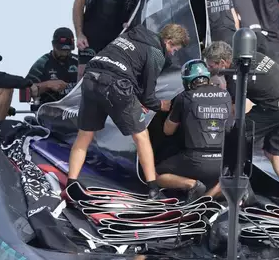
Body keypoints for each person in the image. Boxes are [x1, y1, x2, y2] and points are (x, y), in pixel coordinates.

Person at [66, 24, 190, 199]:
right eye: (174, 49)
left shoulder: (130, 36)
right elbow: (148, 96)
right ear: (168, 42)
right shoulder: (156, 52)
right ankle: (153, 187)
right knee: (141, 136)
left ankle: (71, 183)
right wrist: (161, 105)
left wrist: (139, 99)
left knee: (84, 135)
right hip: (116, 85)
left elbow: (130, 67)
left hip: (91, 76)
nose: (172, 54)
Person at [203, 40, 279, 207]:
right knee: (275, 152)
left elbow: (235, 112)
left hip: (277, 107)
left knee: (236, 135)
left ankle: (236, 188)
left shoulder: (235, 74)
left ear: (222, 63)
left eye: (211, 66)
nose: (209, 69)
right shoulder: (252, 56)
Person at [157, 59, 232, 202]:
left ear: (187, 80)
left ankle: (191, 184)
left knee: (155, 175)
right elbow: (229, 129)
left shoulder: (184, 97)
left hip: (195, 160)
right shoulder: (226, 95)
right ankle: (207, 198)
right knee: (227, 177)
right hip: (221, 162)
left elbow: (168, 131)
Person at [26, 27, 79, 106]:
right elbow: (25, 90)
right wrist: (47, 85)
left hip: (77, 109)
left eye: (67, 50)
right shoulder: (42, 63)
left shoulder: (79, 62)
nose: (64, 54)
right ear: (53, 45)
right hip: (49, 111)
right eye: (61, 50)